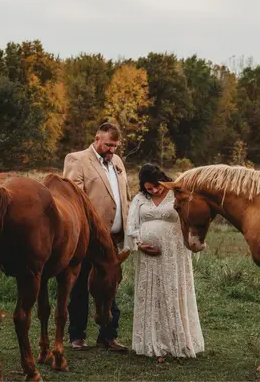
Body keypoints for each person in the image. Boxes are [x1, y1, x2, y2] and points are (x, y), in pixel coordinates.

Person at [125, 164, 205, 361]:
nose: (154, 190)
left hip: (173, 252)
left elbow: (190, 218)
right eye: (149, 188)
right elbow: (132, 225)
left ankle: (176, 341)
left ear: (162, 180)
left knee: (172, 290)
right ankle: (151, 340)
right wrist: (139, 244)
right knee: (152, 293)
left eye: (156, 186)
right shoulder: (140, 198)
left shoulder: (176, 193)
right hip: (147, 256)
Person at [63, 122, 131, 352]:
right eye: (108, 145)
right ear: (97, 139)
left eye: (115, 146)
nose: (112, 150)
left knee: (110, 286)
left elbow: (124, 196)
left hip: (112, 239)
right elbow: (73, 198)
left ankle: (108, 336)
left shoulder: (117, 161)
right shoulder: (77, 160)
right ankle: (77, 336)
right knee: (80, 286)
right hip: (87, 238)